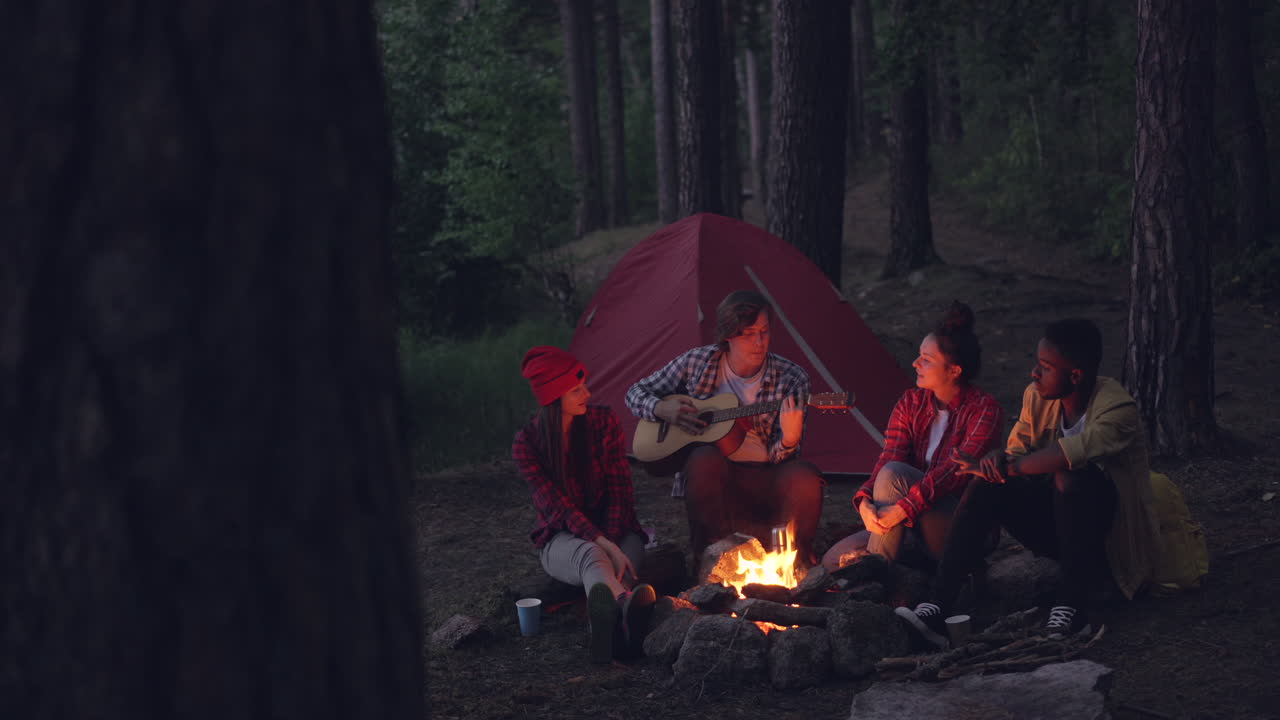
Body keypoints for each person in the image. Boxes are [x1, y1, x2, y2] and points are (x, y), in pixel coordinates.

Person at [896, 318, 1161, 647]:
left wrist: (1013, 467)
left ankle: (1071, 607)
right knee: (985, 483)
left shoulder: (1118, 409)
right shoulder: (1037, 397)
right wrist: (998, 461)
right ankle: (938, 604)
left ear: (1075, 376)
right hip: (1057, 530)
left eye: (1046, 367)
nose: (1035, 373)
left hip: (1105, 539)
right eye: (1037, 364)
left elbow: (1070, 454)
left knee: (1071, 476)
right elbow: (1016, 452)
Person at [625, 290, 824, 566]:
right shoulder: (697, 363)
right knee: (703, 458)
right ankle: (706, 564)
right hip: (714, 478)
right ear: (728, 335)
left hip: (764, 477)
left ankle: (797, 563)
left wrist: (789, 439)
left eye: (765, 331)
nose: (759, 342)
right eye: (748, 333)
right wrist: (662, 409)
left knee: (806, 477)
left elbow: (786, 458)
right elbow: (635, 392)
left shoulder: (792, 378)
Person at [822, 302, 1004, 569]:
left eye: (927, 360)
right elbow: (889, 457)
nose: (915, 363)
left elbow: (951, 475)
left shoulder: (984, 410)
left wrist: (901, 510)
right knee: (832, 562)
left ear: (954, 371)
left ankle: (876, 588)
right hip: (909, 521)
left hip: (961, 525)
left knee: (895, 474)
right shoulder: (911, 403)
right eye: (919, 355)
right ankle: (890, 569)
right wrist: (864, 502)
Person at [512, 345, 655, 664]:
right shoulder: (527, 444)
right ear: (554, 397)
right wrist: (605, 545)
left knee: (626, 562)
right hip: (562, 539)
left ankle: (611, 632)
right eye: (576, 389)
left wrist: (614, 540)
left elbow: (621, 492)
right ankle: (626, 619)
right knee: (592, 554)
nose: (587, 394)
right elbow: (558, 509)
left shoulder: (603, 423)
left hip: (616, 531)